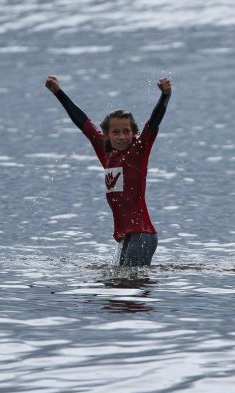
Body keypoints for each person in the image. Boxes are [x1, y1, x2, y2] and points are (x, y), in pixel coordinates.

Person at [45, 74, 172, 266]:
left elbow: (153, 122)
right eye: (116, 132)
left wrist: (165, 96)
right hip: (128, 236)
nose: (122, 136)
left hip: (142, 234)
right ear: (106, 135)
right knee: (118, 286)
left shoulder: (138, 152)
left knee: (126, 287)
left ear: (134, 133)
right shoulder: (106, 154)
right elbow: (82, 122)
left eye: (126, 131)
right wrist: (58, 92)